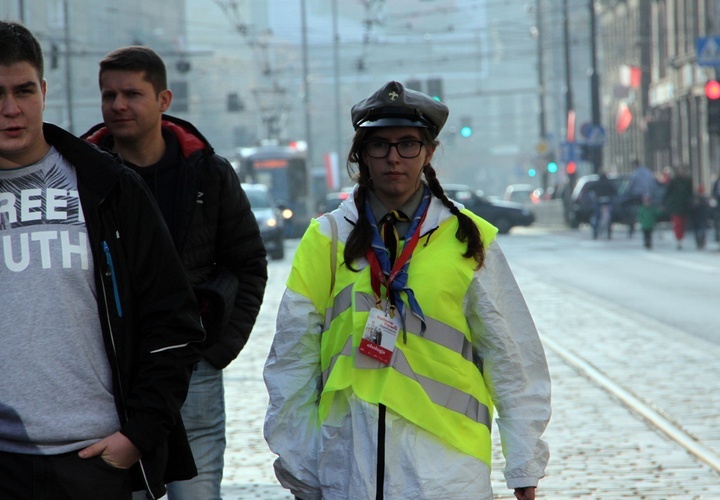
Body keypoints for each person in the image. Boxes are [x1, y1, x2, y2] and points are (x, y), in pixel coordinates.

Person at [263, 81, 551, 500]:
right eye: (379, 145)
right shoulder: (325, 239)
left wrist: (524, 467)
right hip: (348, 466)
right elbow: (292, 360)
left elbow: (512, 357)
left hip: (448, 470)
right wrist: (303, 468)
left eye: (408, 144)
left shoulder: (468, 239)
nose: (393, 157)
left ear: (429, 152)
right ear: (360, 153)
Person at [0, 21, 205, 499]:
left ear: (44, 91)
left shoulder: (108, 187)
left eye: (24, 90)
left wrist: (137, 436)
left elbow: (174, 318)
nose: (11, 109)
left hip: (94, 460)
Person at [81, 46, 268, 499]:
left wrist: (216, 348)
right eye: (109, 96)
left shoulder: (208, 173)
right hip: (112, 371)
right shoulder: (79, 175)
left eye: (132, 94)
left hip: (191, 366)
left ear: (164, 100)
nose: (118, 106)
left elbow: (248, 264)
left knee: (197, 491)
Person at [663, 163, 694, 250]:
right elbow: (668, 192)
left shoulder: (688, 180)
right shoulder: (674, 181)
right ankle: (678, 239)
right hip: (676, 205)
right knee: (677, 223)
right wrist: (664, 202)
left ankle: (681, 238)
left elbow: (690, 193)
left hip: (684, 205)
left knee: (683, 223)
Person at [587, 168, 618, 239]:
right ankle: (609, 232)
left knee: (597, 216)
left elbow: (589, 189)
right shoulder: (609, 183)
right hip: (607, 201)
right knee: (610, 216)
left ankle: (595, 232)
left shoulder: (597, 183)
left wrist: (593, 196)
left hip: (599, 201)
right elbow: (615, 192)